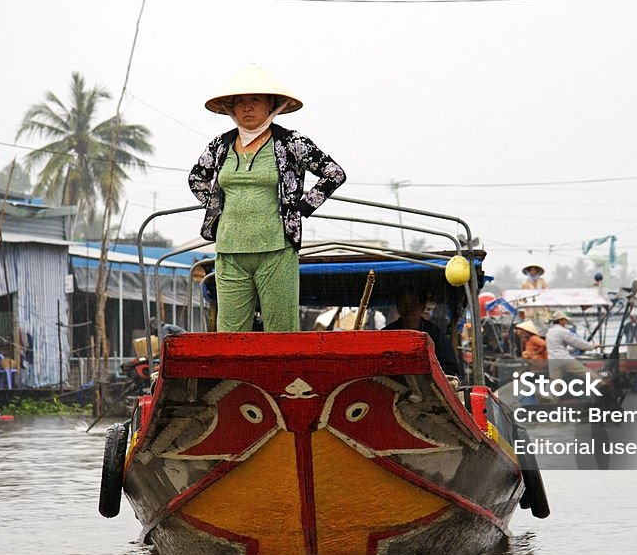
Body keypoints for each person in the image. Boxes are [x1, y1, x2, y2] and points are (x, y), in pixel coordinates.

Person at [188, 63, 346, 332]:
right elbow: (196, 178)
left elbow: (334, 173)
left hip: (277, 250)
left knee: (281, 331)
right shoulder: (220, 145)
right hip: (230, 251)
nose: (247, 107)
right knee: (230, 333)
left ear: (271, 105)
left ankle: (285, 375)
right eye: (240, 102)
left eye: (255, 100)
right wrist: (217, 208)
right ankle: (234, 376)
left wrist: (301, 207)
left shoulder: (291, 142)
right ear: (231, 109)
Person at [384, 289, 460, 377]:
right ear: (398, 307)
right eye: (404, 303)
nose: (409, 308)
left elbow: (450, 369)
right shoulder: (386, 335)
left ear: (423, 306)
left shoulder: (436, 335)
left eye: (414, 303)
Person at [546, 310, 602, 383]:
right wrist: (591, 346)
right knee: (585, 372)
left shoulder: (549, 331)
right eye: (565, 320)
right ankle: (603, 385)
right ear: (561, 320)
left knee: (555, 383)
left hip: (552, 360)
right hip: (563, 358)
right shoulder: (562, 331)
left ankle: (548, 394)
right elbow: (576, 342)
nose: (566, 322)